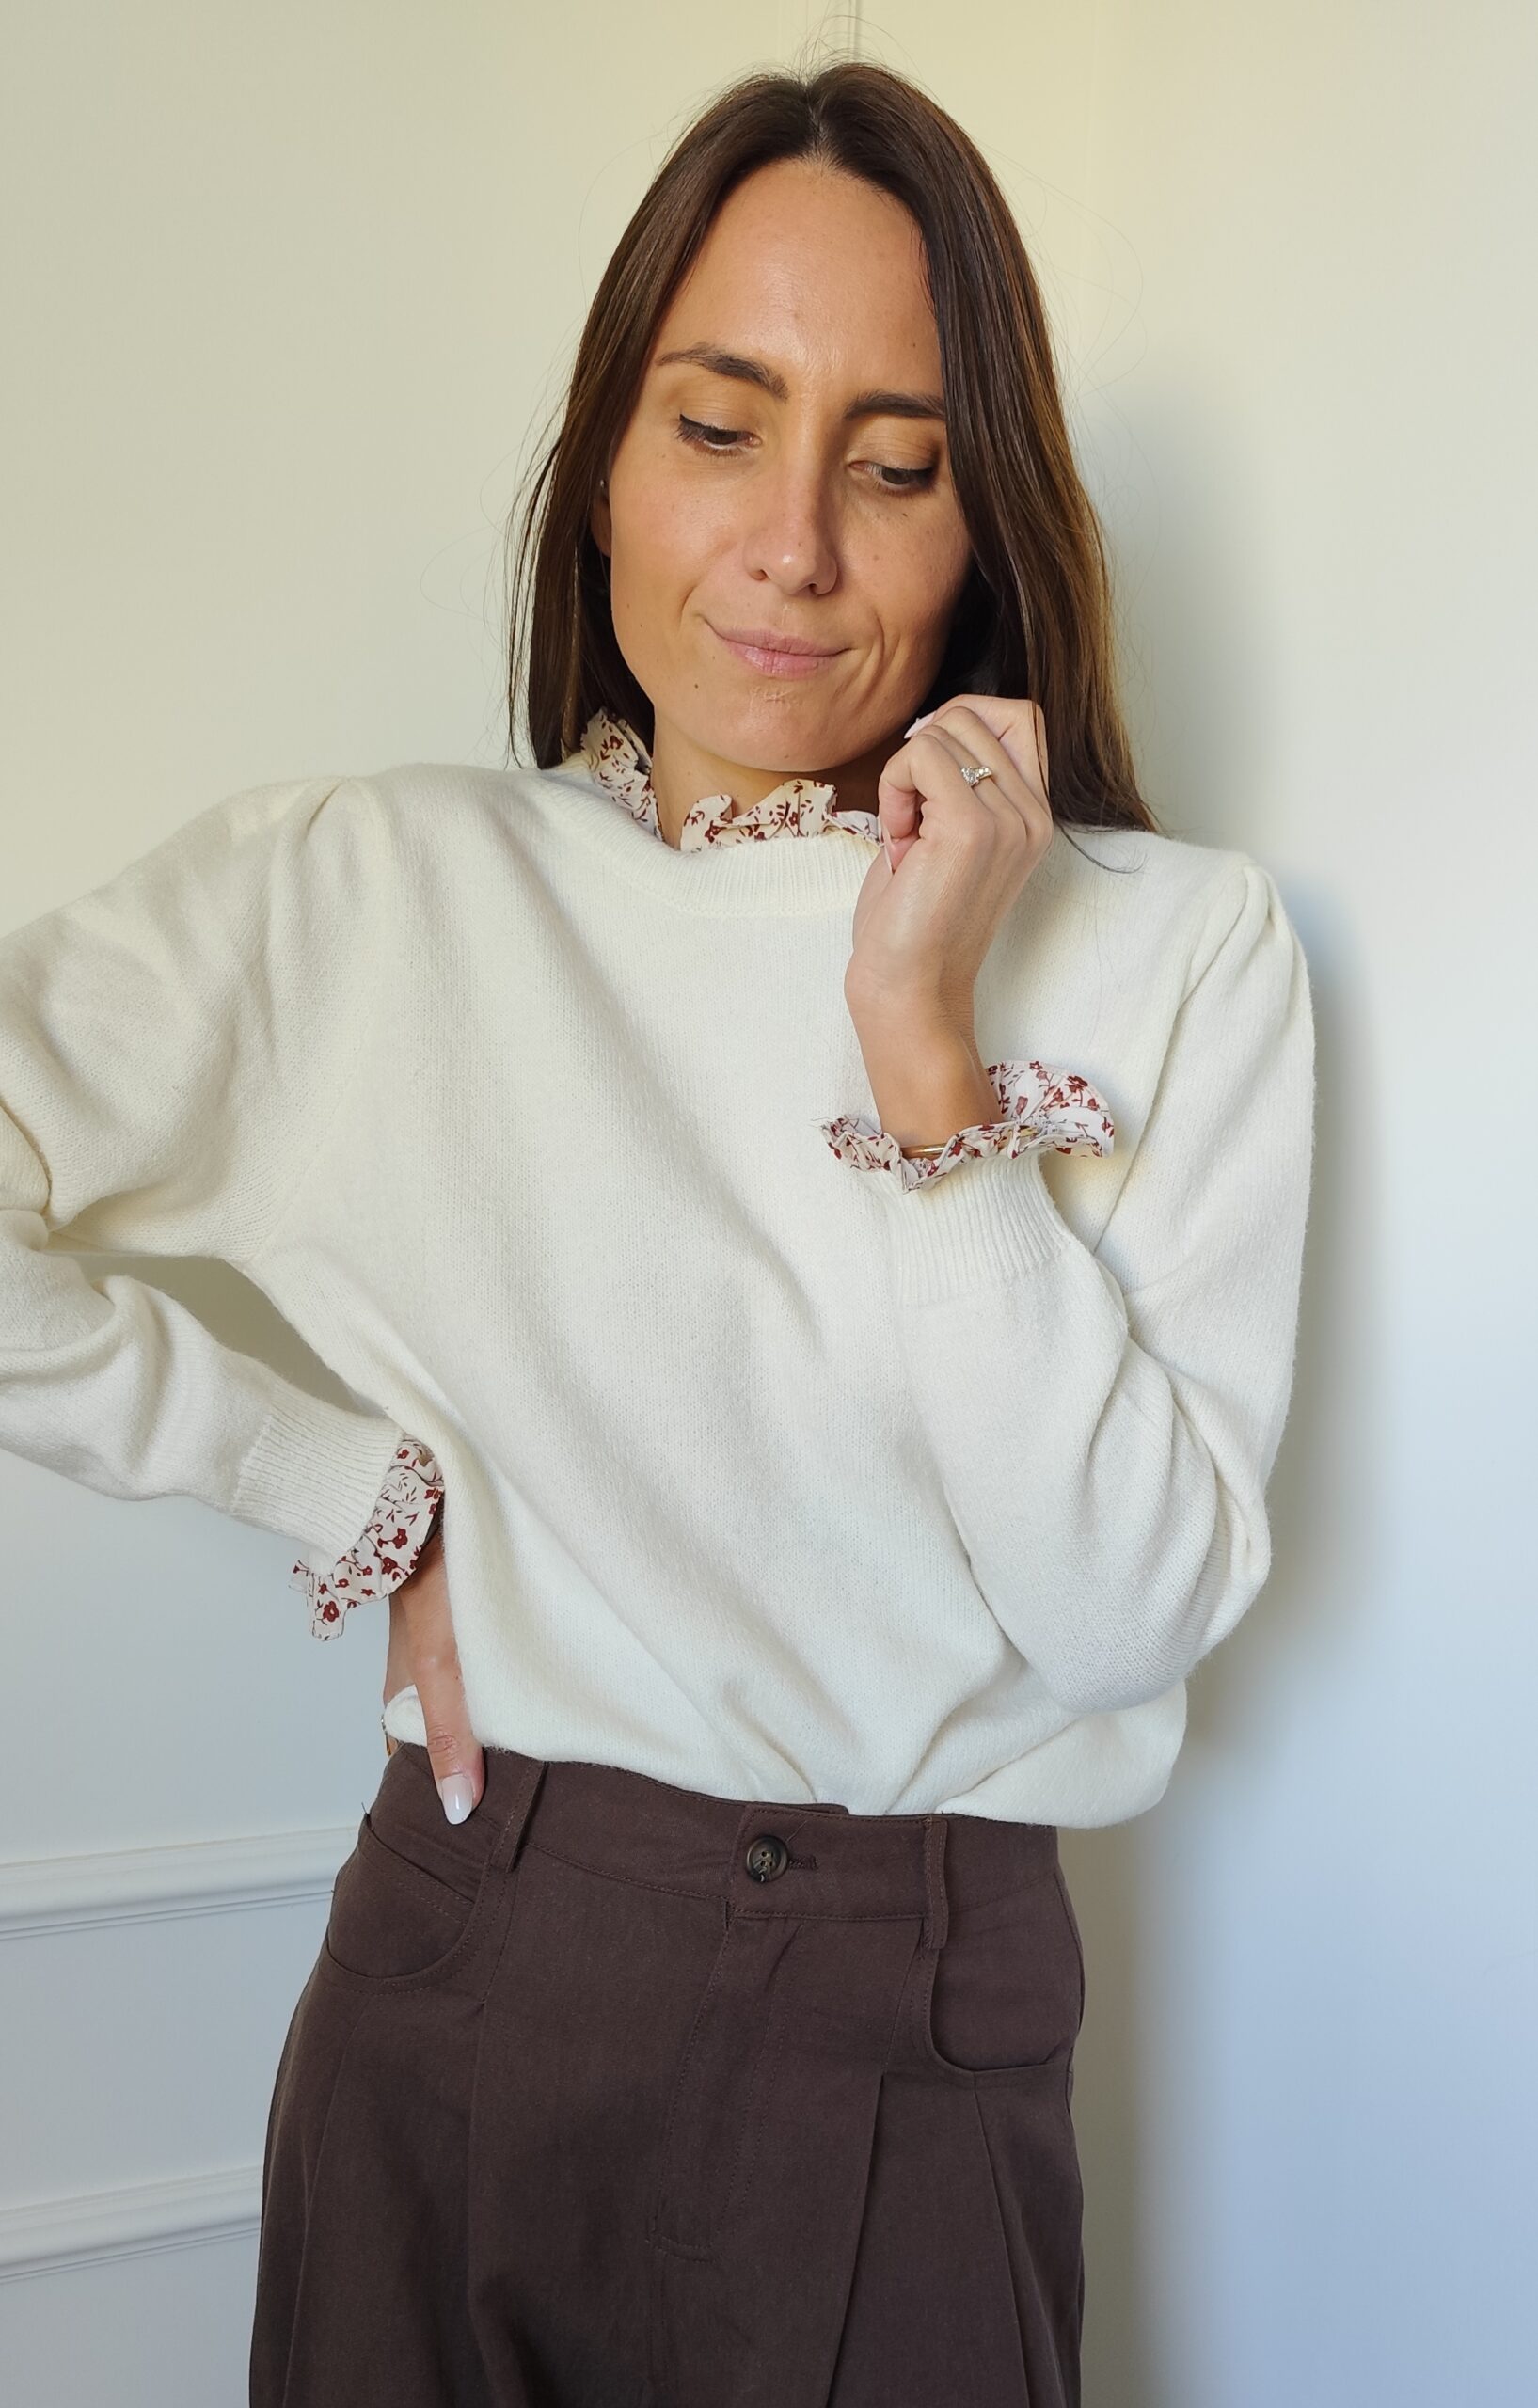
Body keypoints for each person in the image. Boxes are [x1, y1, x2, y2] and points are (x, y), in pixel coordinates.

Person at [0, 58, 1314, 2408]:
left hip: (917, 2029)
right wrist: (338, 1477)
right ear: (602, 460)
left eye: (893, 466)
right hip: (468, 1983)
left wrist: (922, 1041)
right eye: (716, 427)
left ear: (983, 517)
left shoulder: (1174, 948)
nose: (790, 545)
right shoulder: (375, 892)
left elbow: (1119, 1609)